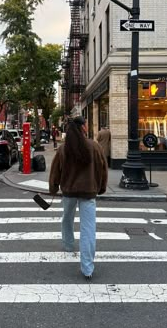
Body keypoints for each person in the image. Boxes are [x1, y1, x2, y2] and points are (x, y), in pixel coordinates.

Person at [49, 116, 108, 280]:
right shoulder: (94, 146)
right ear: (83, 127)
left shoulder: (63, 148)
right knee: (88, 229)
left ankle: (68, 245)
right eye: (87, 124)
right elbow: (102, 169)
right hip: (88, 192)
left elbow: (55, 171)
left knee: (67, 218)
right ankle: (87, 268)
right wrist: (100, 187)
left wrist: (53, 188)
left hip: (68, 191)